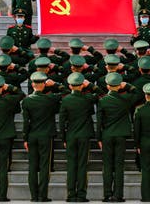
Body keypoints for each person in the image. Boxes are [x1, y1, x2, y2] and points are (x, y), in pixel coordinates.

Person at [97, 73, 141, 202]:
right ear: (119, 86)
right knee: (118, 166)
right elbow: (138, 93)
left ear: (107, 86)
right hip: (121, 135)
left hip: (107, 135)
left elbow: (99, 121)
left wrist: (99, 138)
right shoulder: (126, 98)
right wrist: (127, 85)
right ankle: (118, 195)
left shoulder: (102, 100)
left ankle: (107, 194)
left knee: (107, 166)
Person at [22, 72, 65, 202]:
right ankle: (42, 195)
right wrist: (56, 84)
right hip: (46, 135)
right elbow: (68, 92)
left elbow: (26, 122)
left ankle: (34, 196)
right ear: (44, 84)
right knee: (45, 166)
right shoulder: (51, 98)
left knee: (32, 166)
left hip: (32, 136)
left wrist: (25, 138)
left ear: (33, 84)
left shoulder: (26, 100)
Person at [59, 72, 100, 202]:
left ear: (70, 86)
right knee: (82, 165)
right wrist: (91, 85)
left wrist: (63, 138)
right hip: (84, 136)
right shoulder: (88, 98)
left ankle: (71, 194)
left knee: (71, 165)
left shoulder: (65, 100)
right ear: (82, 85)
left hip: (71, 135)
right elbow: (101, 94)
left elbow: (61, 121)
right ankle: (81, 195)